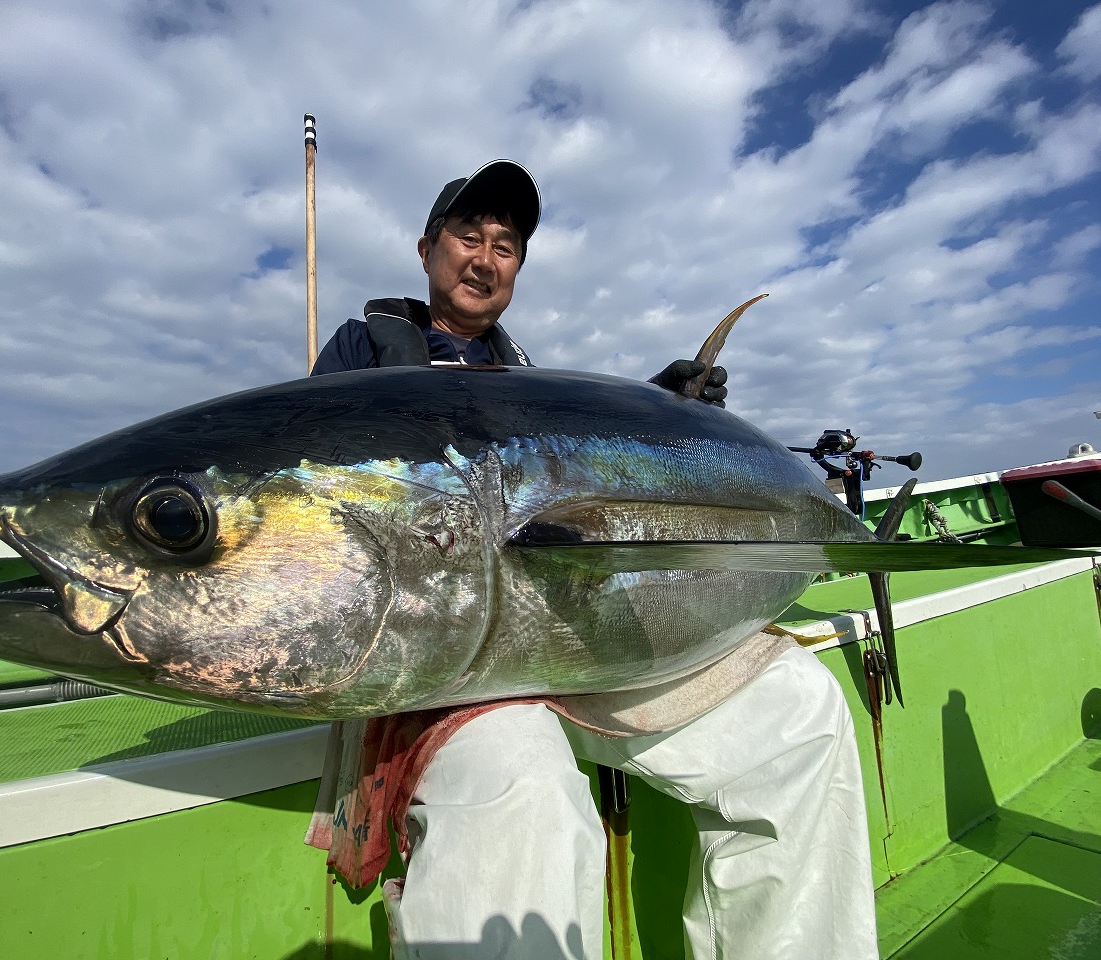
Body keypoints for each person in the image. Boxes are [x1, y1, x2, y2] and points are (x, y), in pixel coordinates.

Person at [309, 160, 879, 960]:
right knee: (525, 793)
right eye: (468, 236)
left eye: (506, 246)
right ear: (425, 247)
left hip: (571, 644)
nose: (484, 258)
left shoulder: (525, 376)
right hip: (443, 665)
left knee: (800, 714)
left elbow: (575, 472)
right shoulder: (362, 352)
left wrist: (660, 403)